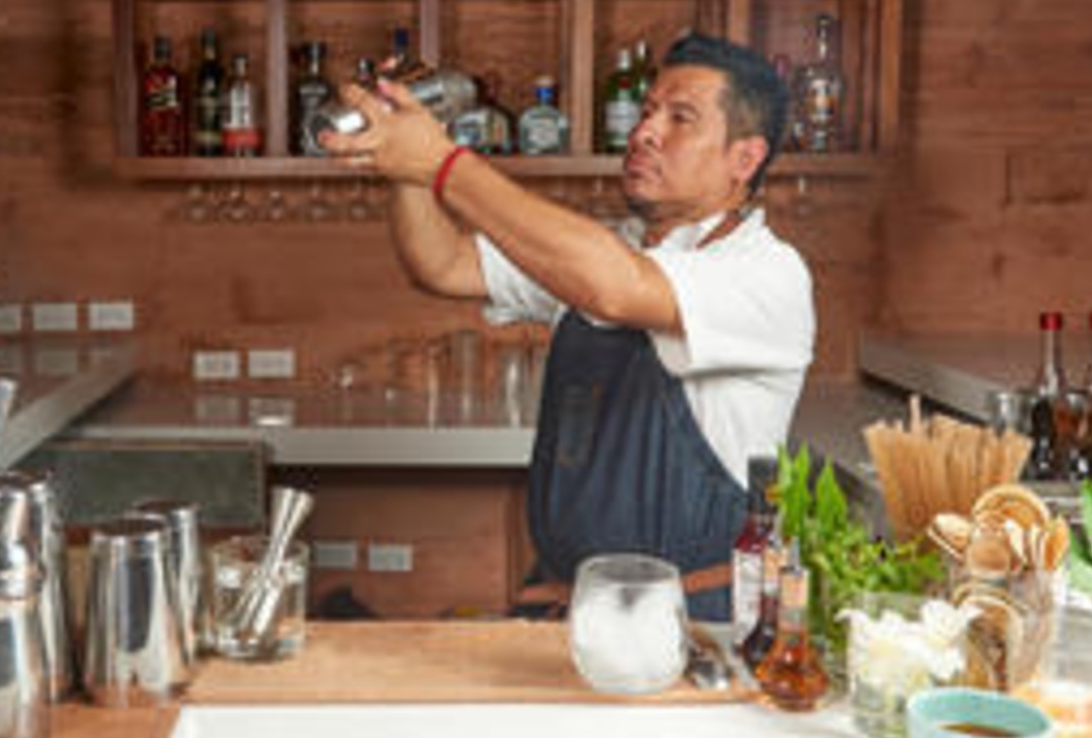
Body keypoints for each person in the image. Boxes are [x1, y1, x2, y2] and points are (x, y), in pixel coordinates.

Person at [321, 33, 814, 620]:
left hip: (689, 623)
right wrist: (403, 160)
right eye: (648, 110)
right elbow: (443, 264)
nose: (644, 132)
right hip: (568, 607)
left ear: (745, 158)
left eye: (680, 118)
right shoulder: (608, 247)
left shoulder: (767, 273)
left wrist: (444, 163)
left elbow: (614, 287)